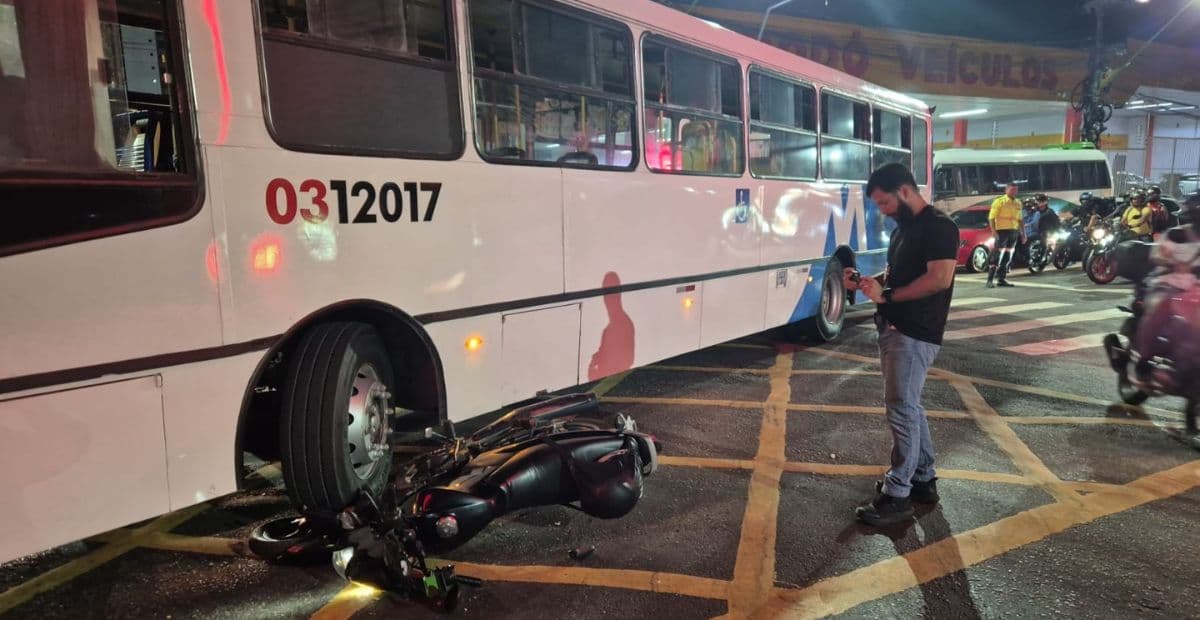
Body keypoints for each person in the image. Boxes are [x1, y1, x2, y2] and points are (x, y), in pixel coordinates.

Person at [842, 163, 958, 526]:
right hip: (895, 327)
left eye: (884, 202)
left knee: (901, 407)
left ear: (904, 191)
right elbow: (892, 278)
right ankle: (923, 479)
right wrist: (865, 282)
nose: (882, 211)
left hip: (916, 331)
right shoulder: (904, 230)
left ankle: (897, 495)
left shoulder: (940, 226)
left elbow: (939, 279)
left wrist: (887, 296)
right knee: (910, 405)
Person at [986, 182, 1023, 288]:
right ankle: (990, 280)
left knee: (1008, 255)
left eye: (1015, 190)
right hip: (1002, 231)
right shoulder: (999, 201)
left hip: (1013, 231)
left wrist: (1023, 233)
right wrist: (993, 231)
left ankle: (1001, 279)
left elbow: (1020, 219)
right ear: (1006, 190)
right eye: (1012, 190)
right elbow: (991, 218)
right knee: (997, 255)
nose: (1014, 192)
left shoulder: (1018, 203)